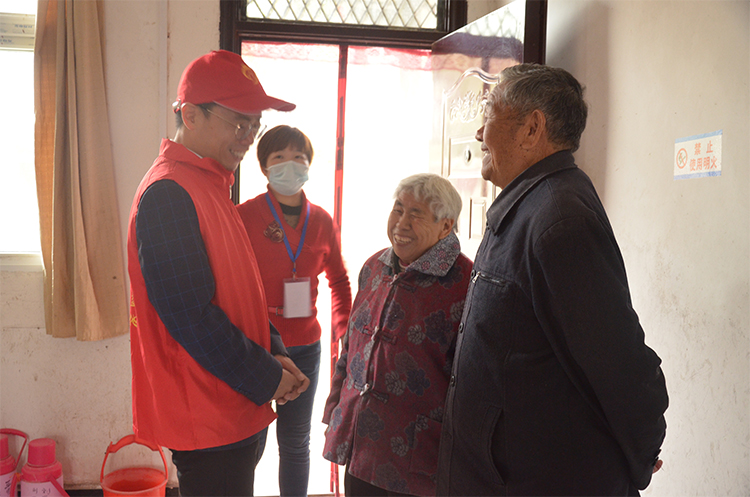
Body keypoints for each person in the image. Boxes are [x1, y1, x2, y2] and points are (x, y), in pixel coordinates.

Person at [436, 63, 669, 496]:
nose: (479, 134)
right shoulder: (528, 204)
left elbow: (620, 364)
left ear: (531, 128)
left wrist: (639, 454)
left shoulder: (560, 221)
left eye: (488, 115)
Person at [127, 50, 310, 497]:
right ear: (191, 115)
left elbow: (238, 291)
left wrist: (275, 350)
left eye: (255, 124)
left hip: (234, 402)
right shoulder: (169, 193)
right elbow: (190, 315)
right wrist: (266, 376)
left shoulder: (210, 182)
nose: (248, 137)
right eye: (238, 123)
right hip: (207, 412)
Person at [323, 173, 473, 497]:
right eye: (398, 209)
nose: (401, 223)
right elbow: (351, 348)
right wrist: (336, 410)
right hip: (361, 443)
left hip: (418, 455)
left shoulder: (466, 283)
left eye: (416, 214)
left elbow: (473, 381)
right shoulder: (374, 268)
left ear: (446, 226)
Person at [236, 125, 352, 497]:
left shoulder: (321, 221)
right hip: (256, 346)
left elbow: (339, 281)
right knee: (249, 441)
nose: (291, 164)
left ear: (309, 165)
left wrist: (345, 328)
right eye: (279, 157)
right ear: (264, 167)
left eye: (298, 157)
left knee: (296, 441)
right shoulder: (243, 216)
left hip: (305, 348)